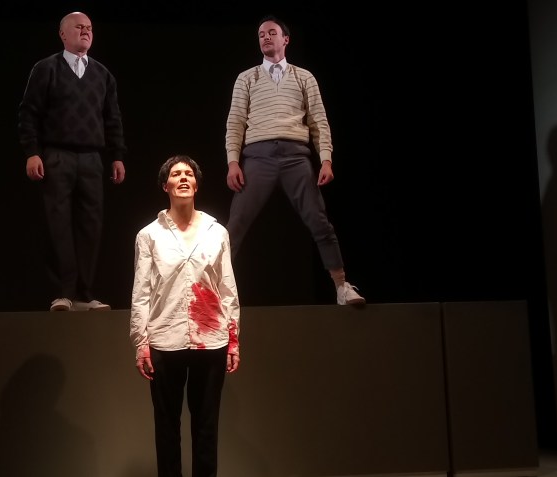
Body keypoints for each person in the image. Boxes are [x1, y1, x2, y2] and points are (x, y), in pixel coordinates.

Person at [225, 14, 365, 306]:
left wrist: (326, 159)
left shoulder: (304, 77)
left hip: (295, 156)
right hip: (258, 157)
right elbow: (235, 122)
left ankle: (342, 286)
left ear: (285, 39)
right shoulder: (247, 78)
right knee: (235, 225)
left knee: (319, 220)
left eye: (271, 32)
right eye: (261, 34)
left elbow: (318, 121)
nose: (265, 37)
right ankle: (214, 292)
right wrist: (233, 162)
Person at [130, 155, 240, 477]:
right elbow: (141, 292)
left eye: (188, 174)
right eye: (176, 174)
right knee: (167, 427)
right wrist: (140, 342)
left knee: (207, 426)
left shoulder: (217, 232)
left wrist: (233, 339)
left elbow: (228, 288)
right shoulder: (149, 235)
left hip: (212, 339)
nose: (183, 178)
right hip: (165, 339)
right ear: (165, 185)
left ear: (196, 184)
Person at [18, 11, 127, 312]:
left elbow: (113, 119)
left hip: (92, 158)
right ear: (63, 34)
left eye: (89, 28)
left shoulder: (103, 74)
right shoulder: (46, 68)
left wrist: (117, 156)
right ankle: (63, 292)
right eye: (79, 27)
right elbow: (28, 113)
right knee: (58, 224)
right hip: (56, 155)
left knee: (91, 225)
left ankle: (84, 293)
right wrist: (32, 151)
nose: (86, 31)